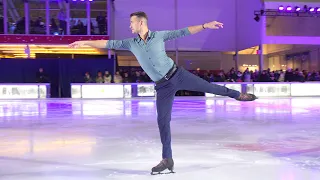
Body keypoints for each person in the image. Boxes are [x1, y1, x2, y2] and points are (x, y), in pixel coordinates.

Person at [69, 11, 257, 175]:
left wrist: (205, 25)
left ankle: (237, 95)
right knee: (162, 121)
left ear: (141, 22)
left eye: (132, 22)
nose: (130, 25)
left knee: (211, 88)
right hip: (162, 86)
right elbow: (107, 43)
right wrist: (84, 41)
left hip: (178, 75)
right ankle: (167, 159)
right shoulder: (130, 43)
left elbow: (184, 31)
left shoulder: (159, 36)